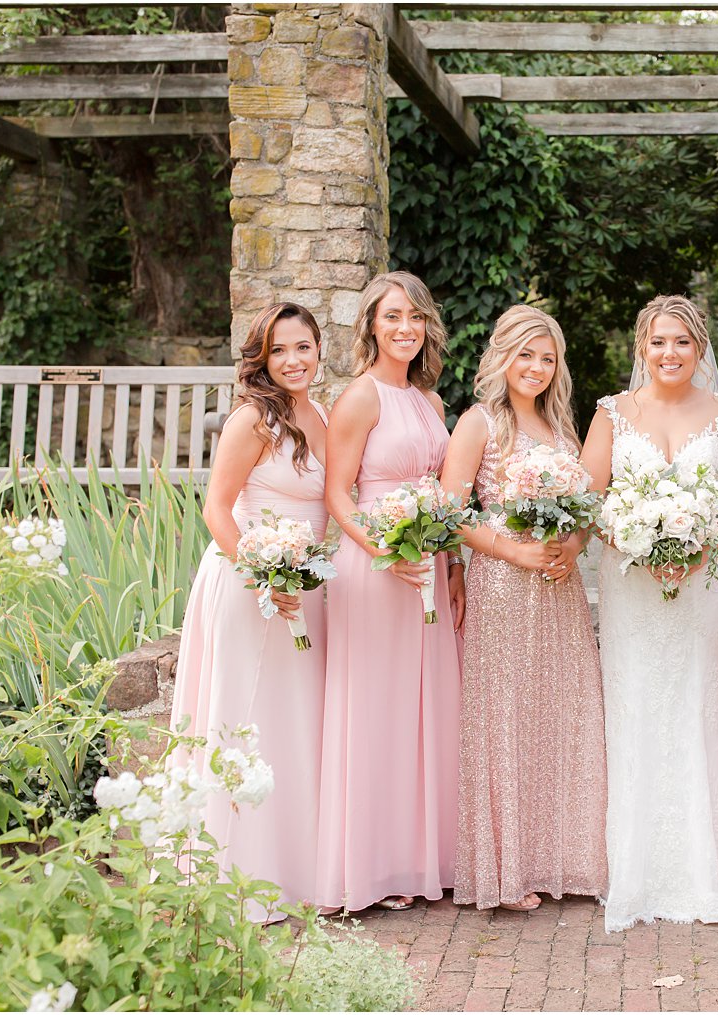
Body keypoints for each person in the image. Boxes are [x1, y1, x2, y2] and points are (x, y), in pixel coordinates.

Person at [580, 294, 718, 932]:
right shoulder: (611, 414)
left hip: (701, 590)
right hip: (633, 590)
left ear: (700, 348)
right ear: (641, 347)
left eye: (682, 342)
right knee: (635, 709)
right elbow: (589, 498)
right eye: (658, 342)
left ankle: (702, 870)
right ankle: (634, 874)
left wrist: (702, 543)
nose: (669, 354)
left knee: (698, 708)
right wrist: (635, 538)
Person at [439, 304, 609, 912]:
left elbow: (586, 512)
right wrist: (514, 551)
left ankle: (563, 859)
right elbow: (453, 513)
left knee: (561, 718)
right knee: (507, 721)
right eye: (525, 355)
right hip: (503, 589)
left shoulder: (566, 432)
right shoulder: (480, 423)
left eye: (547, 357)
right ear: (503, 358)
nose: (536, 368)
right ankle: (508, 870)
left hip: (558, 591)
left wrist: (571, 545)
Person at [169, 301, 330, 922]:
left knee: (294, 723)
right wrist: (264, 575)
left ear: (320, 350)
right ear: (261, 359)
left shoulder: (317, 414)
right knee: (246, 718)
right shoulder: (252, 419)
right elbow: (216, 508)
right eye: (279, 351)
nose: (293, 361)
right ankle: (232, 873)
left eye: (303, 347)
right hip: (247, 583)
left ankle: (293, 870)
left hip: (302, 589)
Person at [315, 270, 465, 914]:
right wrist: (382, 549)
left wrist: (450, 565)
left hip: (428, 565)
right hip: (376, 569)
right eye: (392, 317)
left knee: (427, 711)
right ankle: (372, 867)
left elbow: (448, 489)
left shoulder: (430, 403)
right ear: (372, 326)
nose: (405, 328)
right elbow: (335, 495)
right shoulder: (360, 398)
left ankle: (422, 860)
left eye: (415, 317)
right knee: (378, 711)